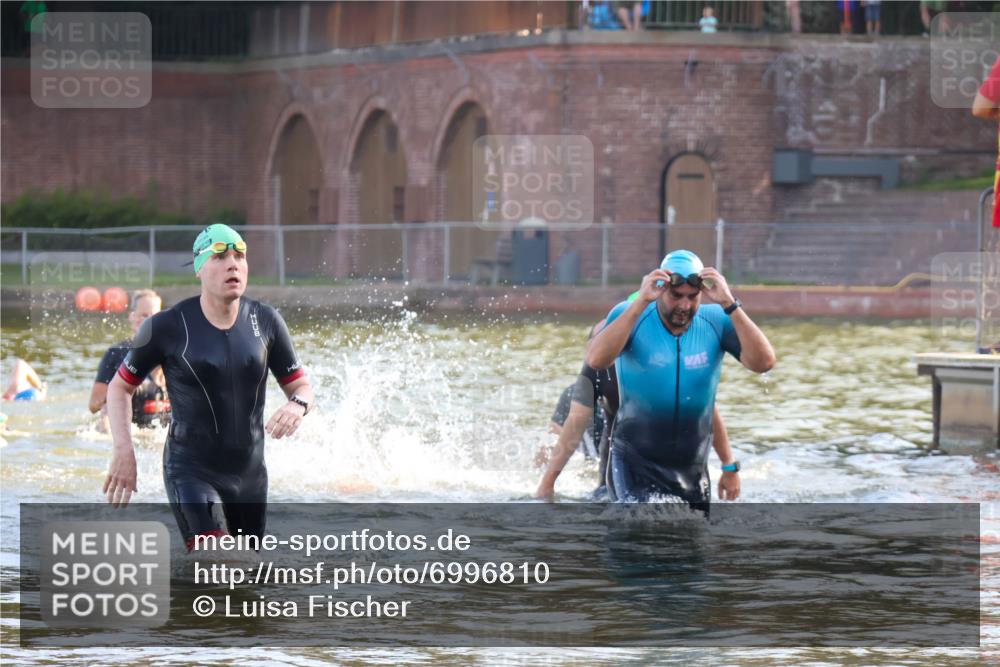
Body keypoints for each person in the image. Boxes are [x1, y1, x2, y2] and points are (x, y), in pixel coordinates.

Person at [102, 224, 315, 551]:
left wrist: (296, 405)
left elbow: (300, 385)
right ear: (200, 269)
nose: (233, 263)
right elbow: (118, 388)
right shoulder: (165, 326)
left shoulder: (267, 321)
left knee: (247, 575)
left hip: (250, 476)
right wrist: (123, 450)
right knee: (219, 560)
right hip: (190, 470)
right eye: (220, 256)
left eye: (239, 255)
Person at [586, 250, 775, 512]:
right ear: (661, 288)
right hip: (634, 462)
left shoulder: (717, 321)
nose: (684, 306)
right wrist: (640, 301)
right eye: (676, 296)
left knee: (690, 547)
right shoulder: (632, 315)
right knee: (635, 538)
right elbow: (596, 360)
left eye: (692, 297)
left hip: (691, 469)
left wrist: (730, 304)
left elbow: (764, 362)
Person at [536, 319, 740, 502]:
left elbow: (708, 413)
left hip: (672, 457)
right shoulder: (593, 372)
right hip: (618, 456)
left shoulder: (662, 364)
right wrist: (547, 484)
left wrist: (728, 466)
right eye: (600, 341)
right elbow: (570, 426)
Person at [89, 289, 170, 431]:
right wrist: (118, 392)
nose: (150, 321)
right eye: (145, 315)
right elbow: (94, 404)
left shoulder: (171, 353)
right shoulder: (116, 354)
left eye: (155, 316)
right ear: (132, 317)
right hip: (132, 433)